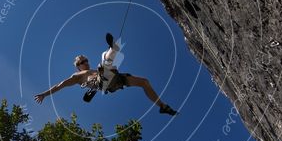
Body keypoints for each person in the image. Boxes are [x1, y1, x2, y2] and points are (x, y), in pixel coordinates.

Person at [34, 33, 178, 115]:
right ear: (78, 66)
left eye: (86, 59)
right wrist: (44, 94)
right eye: (83, 61)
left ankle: (163, 106)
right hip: (102, 82)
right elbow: (60, 85)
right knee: (104, 60)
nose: (86, 62)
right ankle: (112, 49)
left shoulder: (92, 70)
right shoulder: (76, 77)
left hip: (114, 81)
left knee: (144, 82)